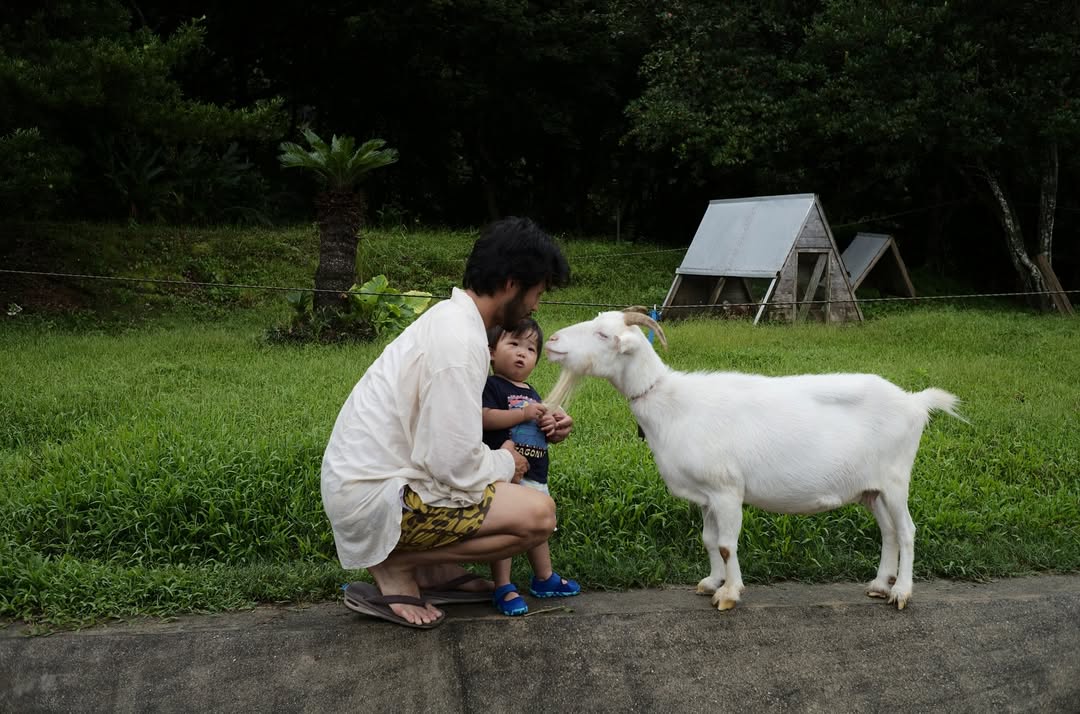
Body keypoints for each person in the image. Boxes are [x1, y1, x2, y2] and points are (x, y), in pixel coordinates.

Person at [321, 216, 571, 629]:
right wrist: (506, 462)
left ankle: (432, 570)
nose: (536, 307)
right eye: (537, 293)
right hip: (376, 498)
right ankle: (398, 565)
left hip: (373, 485)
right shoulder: (459, 341)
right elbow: (451, 464)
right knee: (538, 516)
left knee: (520, 501)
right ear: (512, 283)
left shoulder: (454, 322)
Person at [482, 318, 578, 616]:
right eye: (513, 344)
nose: (522, 353)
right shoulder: (491, 385)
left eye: (531, 349)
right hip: (506, 474)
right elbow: (484, 417)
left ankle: (544, 577)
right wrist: (523, 414)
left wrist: (550, 425)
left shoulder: (532, 392)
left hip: (535, 472)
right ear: (492, 352)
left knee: (539, 530)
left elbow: (541, 432)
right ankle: (503, 585)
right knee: (507, 529)